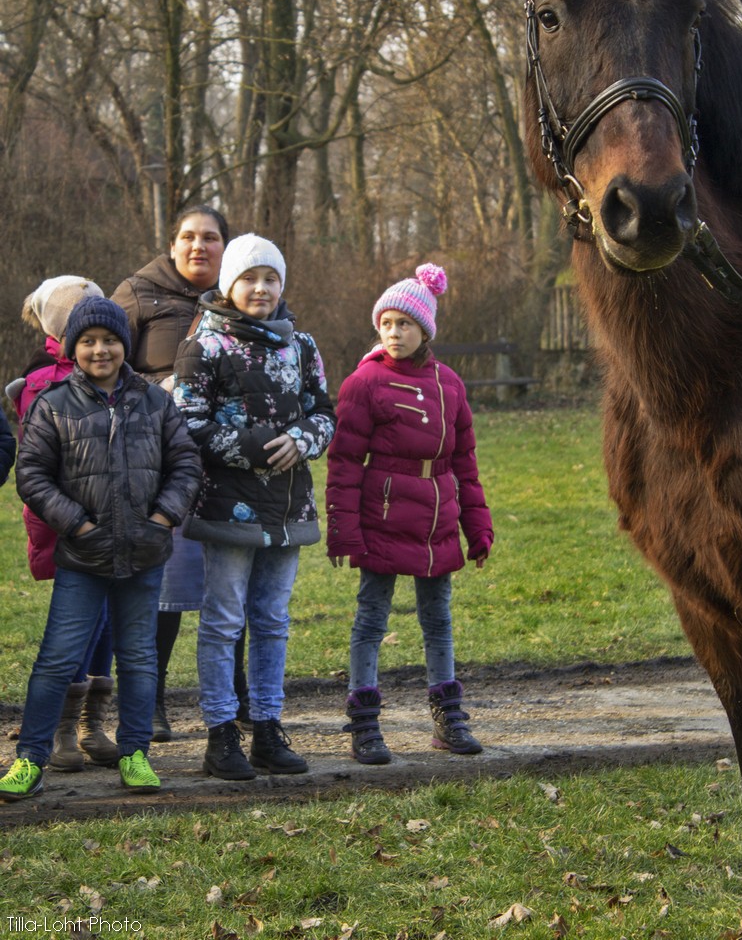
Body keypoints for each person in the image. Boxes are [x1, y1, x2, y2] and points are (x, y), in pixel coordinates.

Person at [0, 298, 201, 802]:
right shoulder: (54, 404)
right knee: (56, 659)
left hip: (144, 555)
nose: (100, 349)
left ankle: (134, 754)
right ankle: (30, 758)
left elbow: (186, 466)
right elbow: (32, 475)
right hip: (82, 558)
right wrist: (79, 524)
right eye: (87, 341)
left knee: (138, 657)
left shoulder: (156, 402)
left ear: (124, 345)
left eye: (109, 340)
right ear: (73, 348)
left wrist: (161, 519)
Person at [172, 234, 336, 780]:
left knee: (272, 620)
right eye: (249, 278)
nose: (260, 288)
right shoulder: (205, 346)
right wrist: (259, 447)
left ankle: (267, 726)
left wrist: (304, 440)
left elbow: (323, 411)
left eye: (270, 279)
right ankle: (221, 735)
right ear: (228, 285)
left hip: (288, 507)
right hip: (227, 508)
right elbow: (188, 425)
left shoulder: (302, 345)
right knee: (222, 621)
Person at [325, 263, 493, 765]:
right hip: (382, 515)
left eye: (405, 324)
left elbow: (465, 462)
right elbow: (345, 462)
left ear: (425, 330)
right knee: (371, 617)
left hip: (435, 519)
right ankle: (364, 720)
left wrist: (477, 527)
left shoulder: (449, 384)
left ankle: (448, 716)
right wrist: (344, 532)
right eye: (386, 324)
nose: (394, 333)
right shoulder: (364, 383)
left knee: (437, 618)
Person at [112, 204, 249, 741]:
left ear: (225, 247)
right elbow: (96, 361)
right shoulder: (137, 293)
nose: (199, 247)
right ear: (171, 246)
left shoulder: (243, 295)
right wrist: (157, 388)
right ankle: (149, 699)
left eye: (211, 238)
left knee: (230, 578)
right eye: (189, 237)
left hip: (227, 463)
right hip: (160, 463)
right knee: (166, 583)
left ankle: (235, 694)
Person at [5, 275, 119, 771]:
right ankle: (63, 728)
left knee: (110, 619)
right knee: (81, 621)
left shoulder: (113, 367)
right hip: (70, 522)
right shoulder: (40, 382)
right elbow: (41, 464)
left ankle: (95, 722)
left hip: (116, 519)